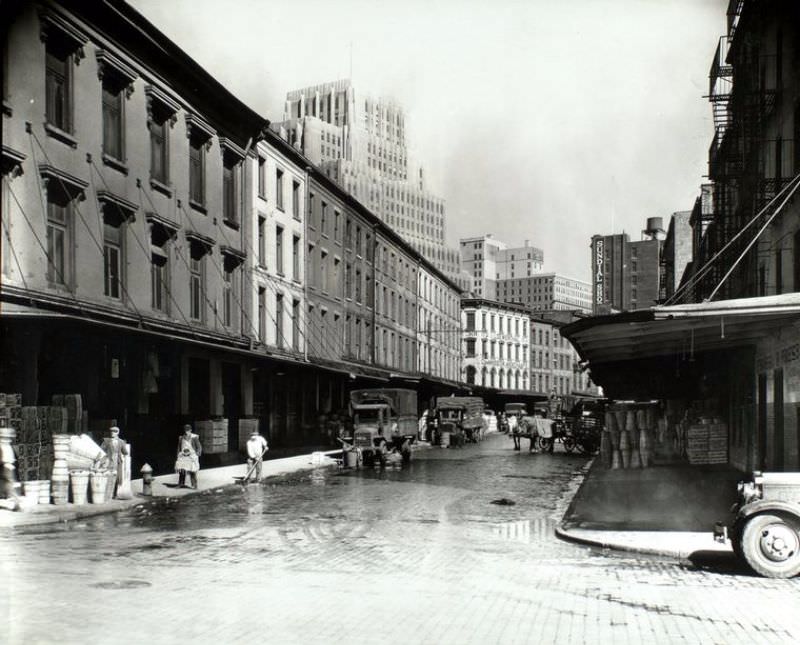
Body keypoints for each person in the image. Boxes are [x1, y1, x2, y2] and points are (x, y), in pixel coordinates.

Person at [100, 426, 129, 499]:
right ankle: (107, 494)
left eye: (115, 432)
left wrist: (124, 454)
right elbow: (101, 450)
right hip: (108, 461)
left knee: (116, 478)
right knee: (108, 477)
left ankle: (115, 494)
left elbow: (125, 452)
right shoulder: (106, 441)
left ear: (118, 433)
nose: (113, 433)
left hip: (117, 462)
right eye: (112, 432)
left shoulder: (121, 442)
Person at [175, 424, 202, 489]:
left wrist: (197, 454)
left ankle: (194, 485)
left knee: (192, 470)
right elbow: (179, 447)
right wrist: (178, 455)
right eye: (186, 430)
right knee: (182, 469)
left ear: (190, 430)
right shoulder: (181, 438)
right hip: (183, 455)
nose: (187, 431)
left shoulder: (194, 437)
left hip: (192, 455)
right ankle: (181, 484)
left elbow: (199, 447)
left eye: (188, 430)